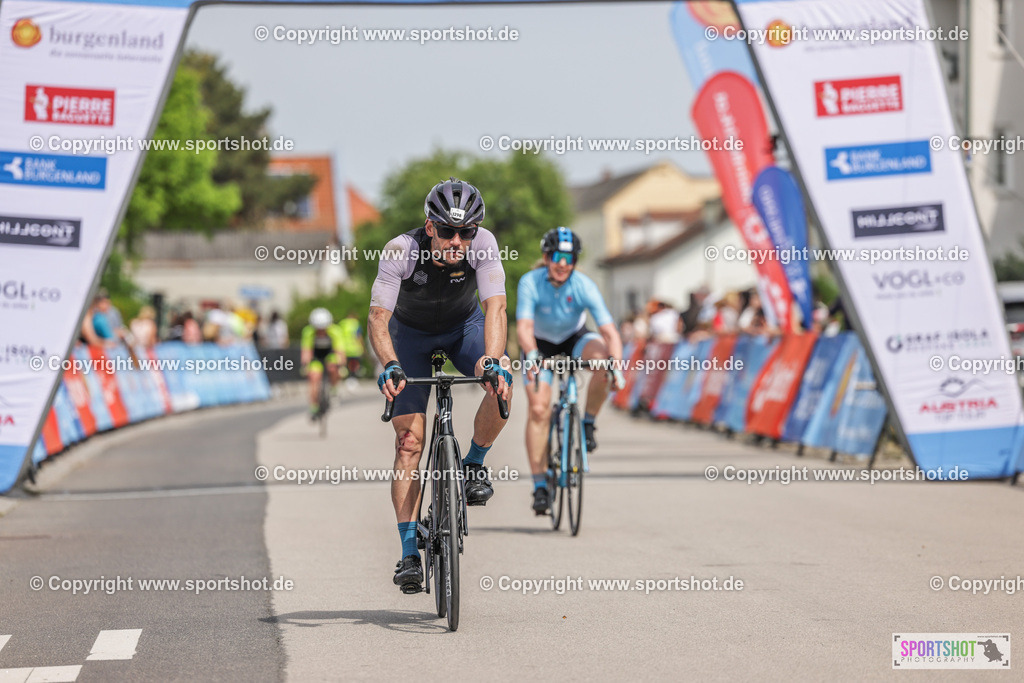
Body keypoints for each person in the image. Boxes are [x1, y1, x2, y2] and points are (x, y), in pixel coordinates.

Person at [368, 177, 513, 594]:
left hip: (461, 328)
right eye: (447, 231)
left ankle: (472, 464)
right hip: (409, 336)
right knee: (409, 444)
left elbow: (495, 306)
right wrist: (391, 364)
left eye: (465, 232)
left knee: (501, 381)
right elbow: (378, 317)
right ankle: (409, 551)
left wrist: (490, 360)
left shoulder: (484, 244)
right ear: (429, 226)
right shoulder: (401, 250)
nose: (456, 240)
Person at [517, 227, 625, 515]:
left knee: (602, 361)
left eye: (569, 258)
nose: (563, 263)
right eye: (556, 256)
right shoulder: (531, 282)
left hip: (575, 338)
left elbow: (609, 332)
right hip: (539, 344)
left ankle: (587, 421)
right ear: (546, 257)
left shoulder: (584, 285)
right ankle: (540, 484)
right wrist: (531, 355)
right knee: (539, 409)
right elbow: (524, 328)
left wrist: (617, 366)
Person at [300, 308, 346, 418]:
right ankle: (314, 406)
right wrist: (305, 365)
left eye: (323, 329)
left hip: (330, 355)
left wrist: (342, 366)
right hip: (316, 357)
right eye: (318, 329)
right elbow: (306, 351)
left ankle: (334, 390)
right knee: (314, 377)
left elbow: (339, 351)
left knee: (333, 368)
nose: (321, 331)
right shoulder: (308, 332)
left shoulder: (335, 331)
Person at [338, 310, 365, 381]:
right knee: (354, 364)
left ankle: (345, 377)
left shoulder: (342, 323)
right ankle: (352, 377)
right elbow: (359, 337)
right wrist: (363, 347)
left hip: (343, 348)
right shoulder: (356, 323)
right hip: (354, 348)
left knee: (344, 364)